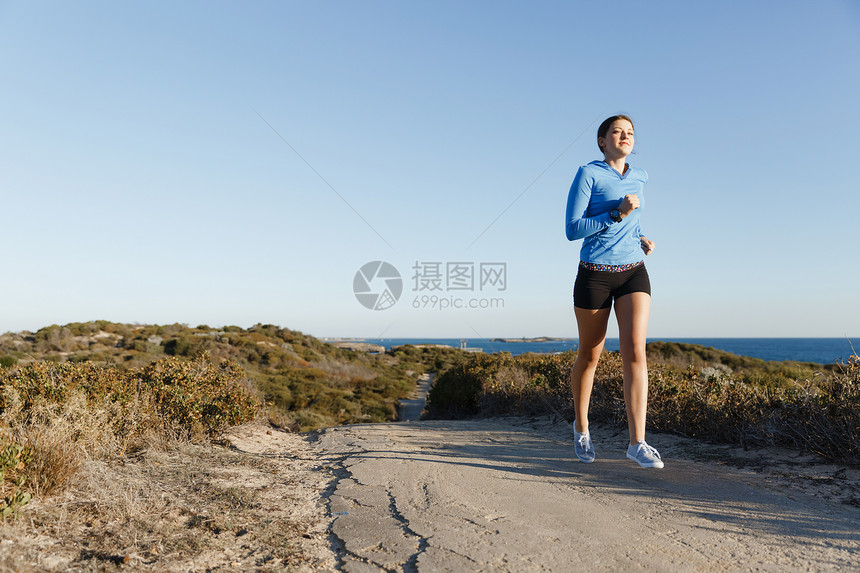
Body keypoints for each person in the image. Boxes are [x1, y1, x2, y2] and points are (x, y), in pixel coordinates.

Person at [564, 114, 663, 469]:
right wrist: (616, 215)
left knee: (635, 351)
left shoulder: (641, 176)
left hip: (634, 271)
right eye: (617, 132)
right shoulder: (588, 173)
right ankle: (581, 428)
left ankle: (638, 442)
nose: (625, 136)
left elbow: (631, 218)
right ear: (602, 140)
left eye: (630, 132)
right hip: (595, 275)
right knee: (590, 355)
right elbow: (573, 230)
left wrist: (639, 237)